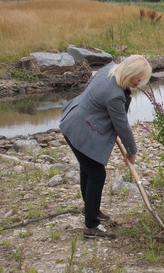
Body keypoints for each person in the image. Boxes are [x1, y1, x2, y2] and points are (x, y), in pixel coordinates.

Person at [59, 55, 152, 239]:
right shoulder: (115, 95)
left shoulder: (108, 69)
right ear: (130, 73)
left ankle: (90, 209)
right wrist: (132, 151)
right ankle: (91, 226)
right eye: (138, 79)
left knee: (88, 170)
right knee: (97, 174)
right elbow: (122, 126)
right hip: (80, 130)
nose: (139, 83)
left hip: (74, 119)